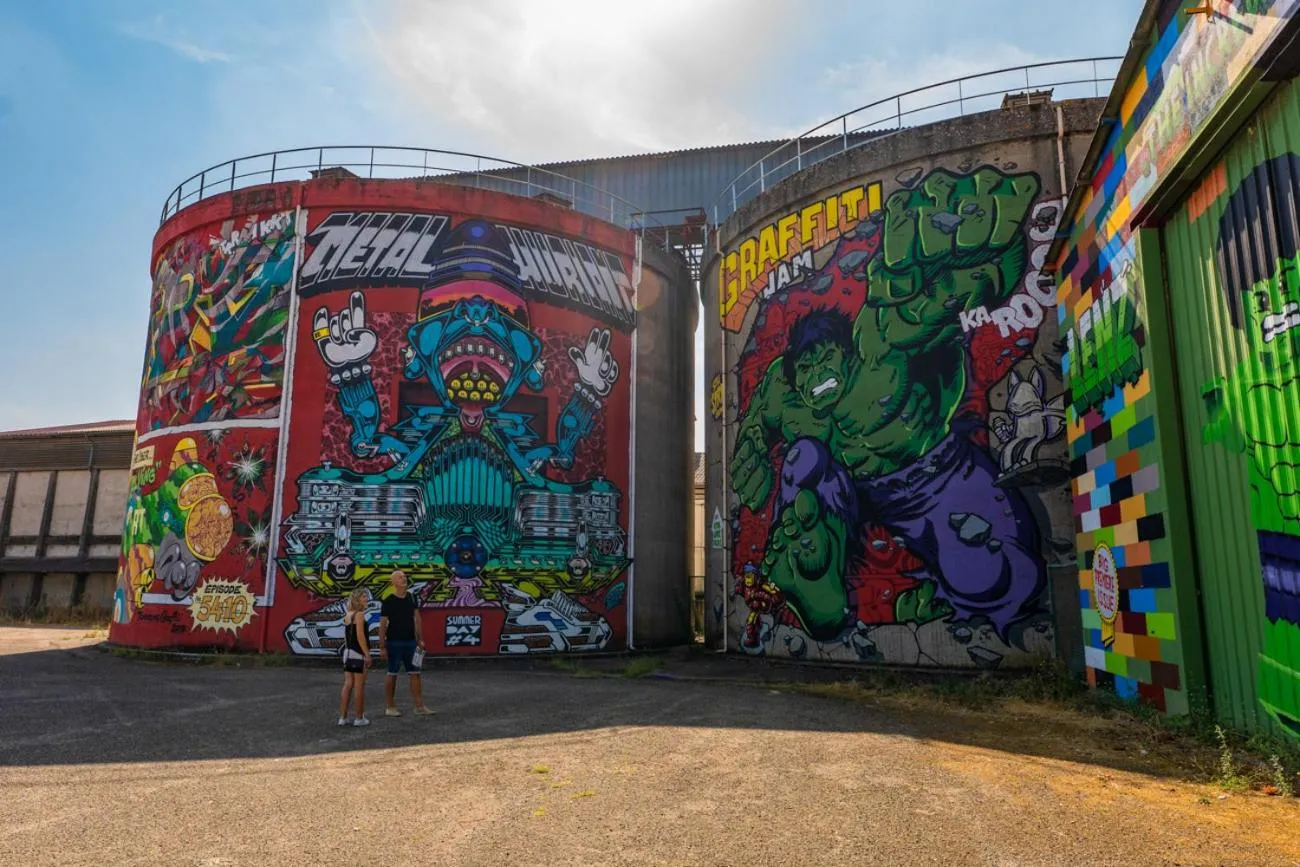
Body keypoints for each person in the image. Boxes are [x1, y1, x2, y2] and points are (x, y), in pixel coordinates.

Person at [379, 570, 433, 716]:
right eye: (400, 577)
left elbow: (418, 619)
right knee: (392, 673)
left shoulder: (412, 597)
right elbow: (383, 624)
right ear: (394, 582)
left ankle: (419, 706)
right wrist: (382, 646)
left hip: (411, 642)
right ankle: (390, 707)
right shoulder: (388, 600)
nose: (404, 579)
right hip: (394, 642)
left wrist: (420, 639)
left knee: (415, 673)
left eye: (404, 577)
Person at [338, 588, 370, 727]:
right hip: (358, 653)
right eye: (364, 597)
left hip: (348, 652)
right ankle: (359, 717)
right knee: (359, 686)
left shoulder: (348, 615)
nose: (366, 599)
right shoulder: (360, 615)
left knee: (348, 684)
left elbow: (347, 637)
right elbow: (360, 636)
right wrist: (367, 654)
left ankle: (343, 718)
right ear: (357, 599)